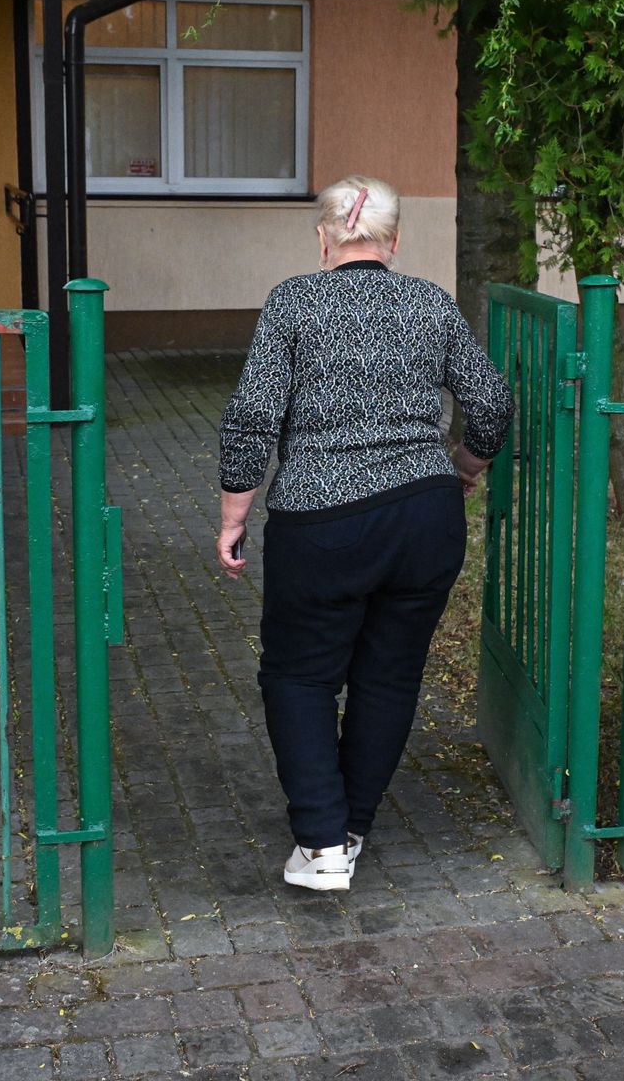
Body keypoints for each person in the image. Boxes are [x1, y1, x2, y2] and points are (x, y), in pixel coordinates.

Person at [216, 175, 513, 892]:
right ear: (395, 241)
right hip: (424, 517)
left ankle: (320, 842)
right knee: (388, 675)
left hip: (322, 525)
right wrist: (465, 468)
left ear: (324, 240)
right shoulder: (430, 303)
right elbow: (492, 403)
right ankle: (350, 827)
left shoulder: (293, 301)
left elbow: (252, 416)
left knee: (300, 674)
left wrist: (233, 516)